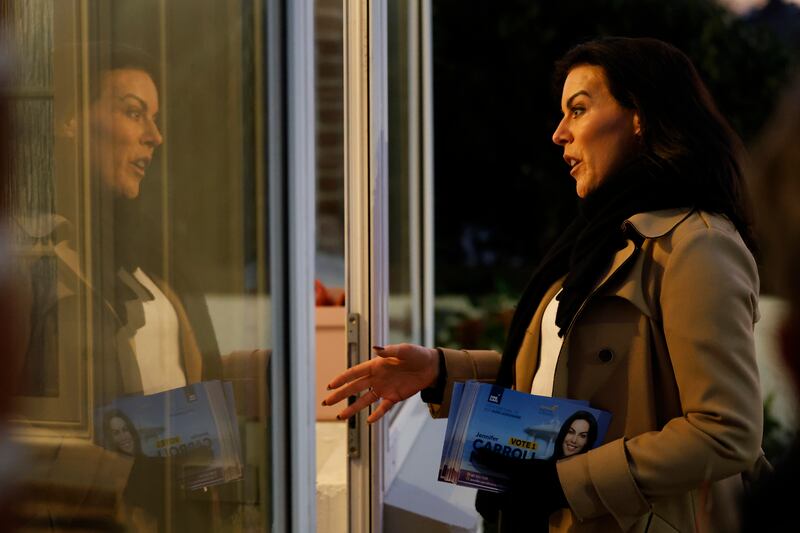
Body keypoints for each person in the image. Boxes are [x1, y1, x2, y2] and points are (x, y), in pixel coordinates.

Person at [324, 36, 764, 532]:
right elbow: (559, 376)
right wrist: (440, 372)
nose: (558, 134)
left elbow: (727, 432)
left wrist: (565, 481)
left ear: (640, 116)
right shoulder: (604, 238)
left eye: (578, 110)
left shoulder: (696, 246)